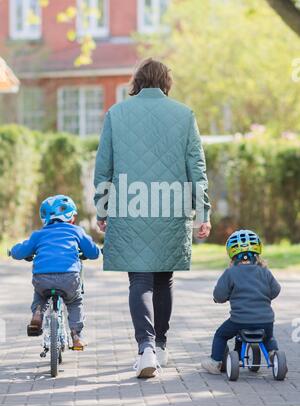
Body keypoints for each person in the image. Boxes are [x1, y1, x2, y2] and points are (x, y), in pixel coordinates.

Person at [94, 58, 211, 378]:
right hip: (170, 208)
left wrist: (103, 208)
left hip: (129, 207)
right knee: (163, 279)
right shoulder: (184, 115)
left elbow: (104, 166)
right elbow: (196, 170)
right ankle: (159, 345)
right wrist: (202, 212)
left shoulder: (116, 114)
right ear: (165, 82)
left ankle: (145, 348)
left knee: (140, 280)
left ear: (137, 82)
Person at [10, 195, 100, 349]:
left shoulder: (38, 234)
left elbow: (20, 251)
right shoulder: (76, 231)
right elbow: (93, 253)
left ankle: (38, 313)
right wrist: (97, 250)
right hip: (68, 278)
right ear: (71, 217)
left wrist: (12, 251)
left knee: (40, 296)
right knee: (75, 301)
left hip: (42, 278)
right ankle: (76, 335)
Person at [202, 229, 281, 374]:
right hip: (266, 320)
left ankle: (215, 362)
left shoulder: (230, 273)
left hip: (240, 320)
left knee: (221, 335)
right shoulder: (264, 271)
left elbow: (219, 295)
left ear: (231, 253)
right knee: (268, 337)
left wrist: (219, 299)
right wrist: (264, 297)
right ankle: (274, 355)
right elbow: (275, 290)